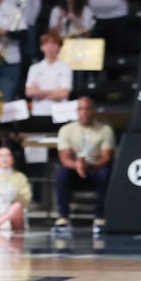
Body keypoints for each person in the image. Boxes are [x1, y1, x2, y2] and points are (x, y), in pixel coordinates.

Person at [53, 96, 113, 236]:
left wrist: (89, 165)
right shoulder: (66, 130)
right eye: (81, 109)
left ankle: (100, 217)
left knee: (105, 173)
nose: (84, 112)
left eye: (87, 109)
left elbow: (106, 157)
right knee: (62, 173)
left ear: (94, 111)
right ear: (77, 111)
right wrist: (78, 165)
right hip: (75, 169)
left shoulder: (105, 130)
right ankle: (63, 216)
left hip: (95, 168)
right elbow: (64, 158)